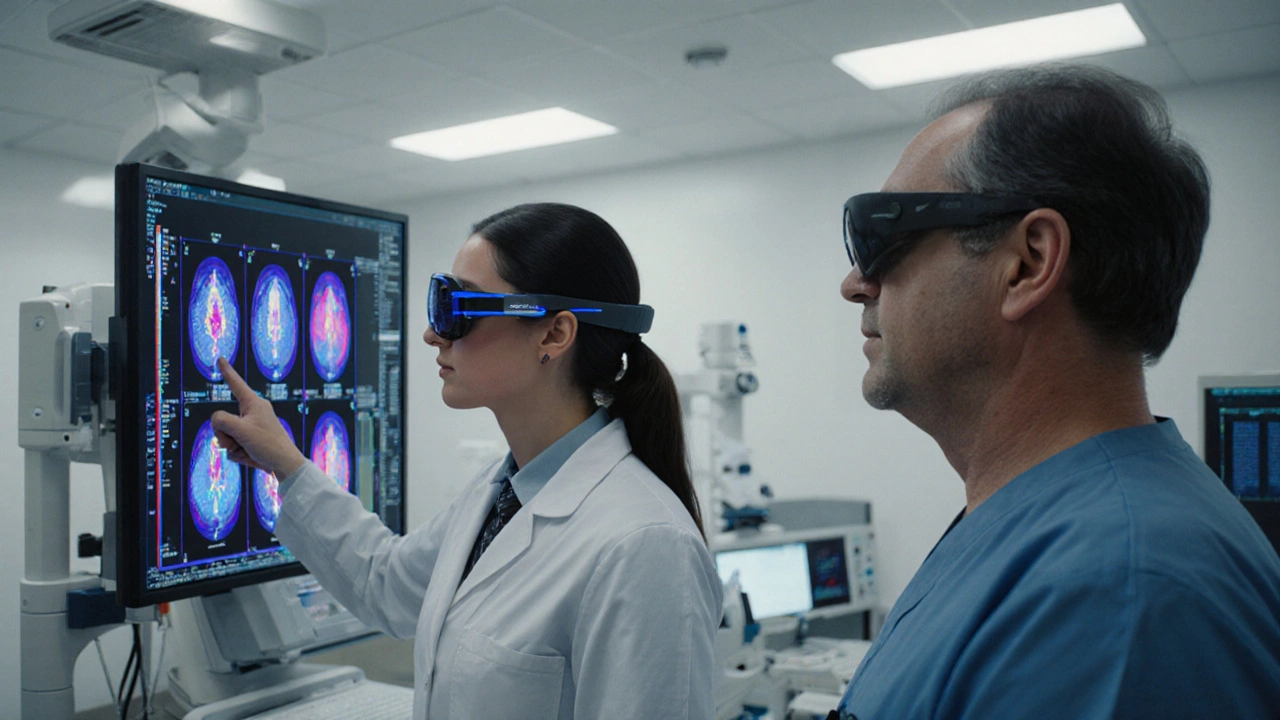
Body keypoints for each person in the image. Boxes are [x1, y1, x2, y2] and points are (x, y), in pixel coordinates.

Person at [832, 64, 1280, 719]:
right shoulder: (1040, 528)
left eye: (882, 233)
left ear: (1029, 263)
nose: (855, 282)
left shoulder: (1117, 595)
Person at [211, 203, 722, 719]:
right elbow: (386, 584)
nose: (434, 334)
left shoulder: (646, 546)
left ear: (553, 334)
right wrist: (285, 463)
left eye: (458, 307)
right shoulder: (503, 494)